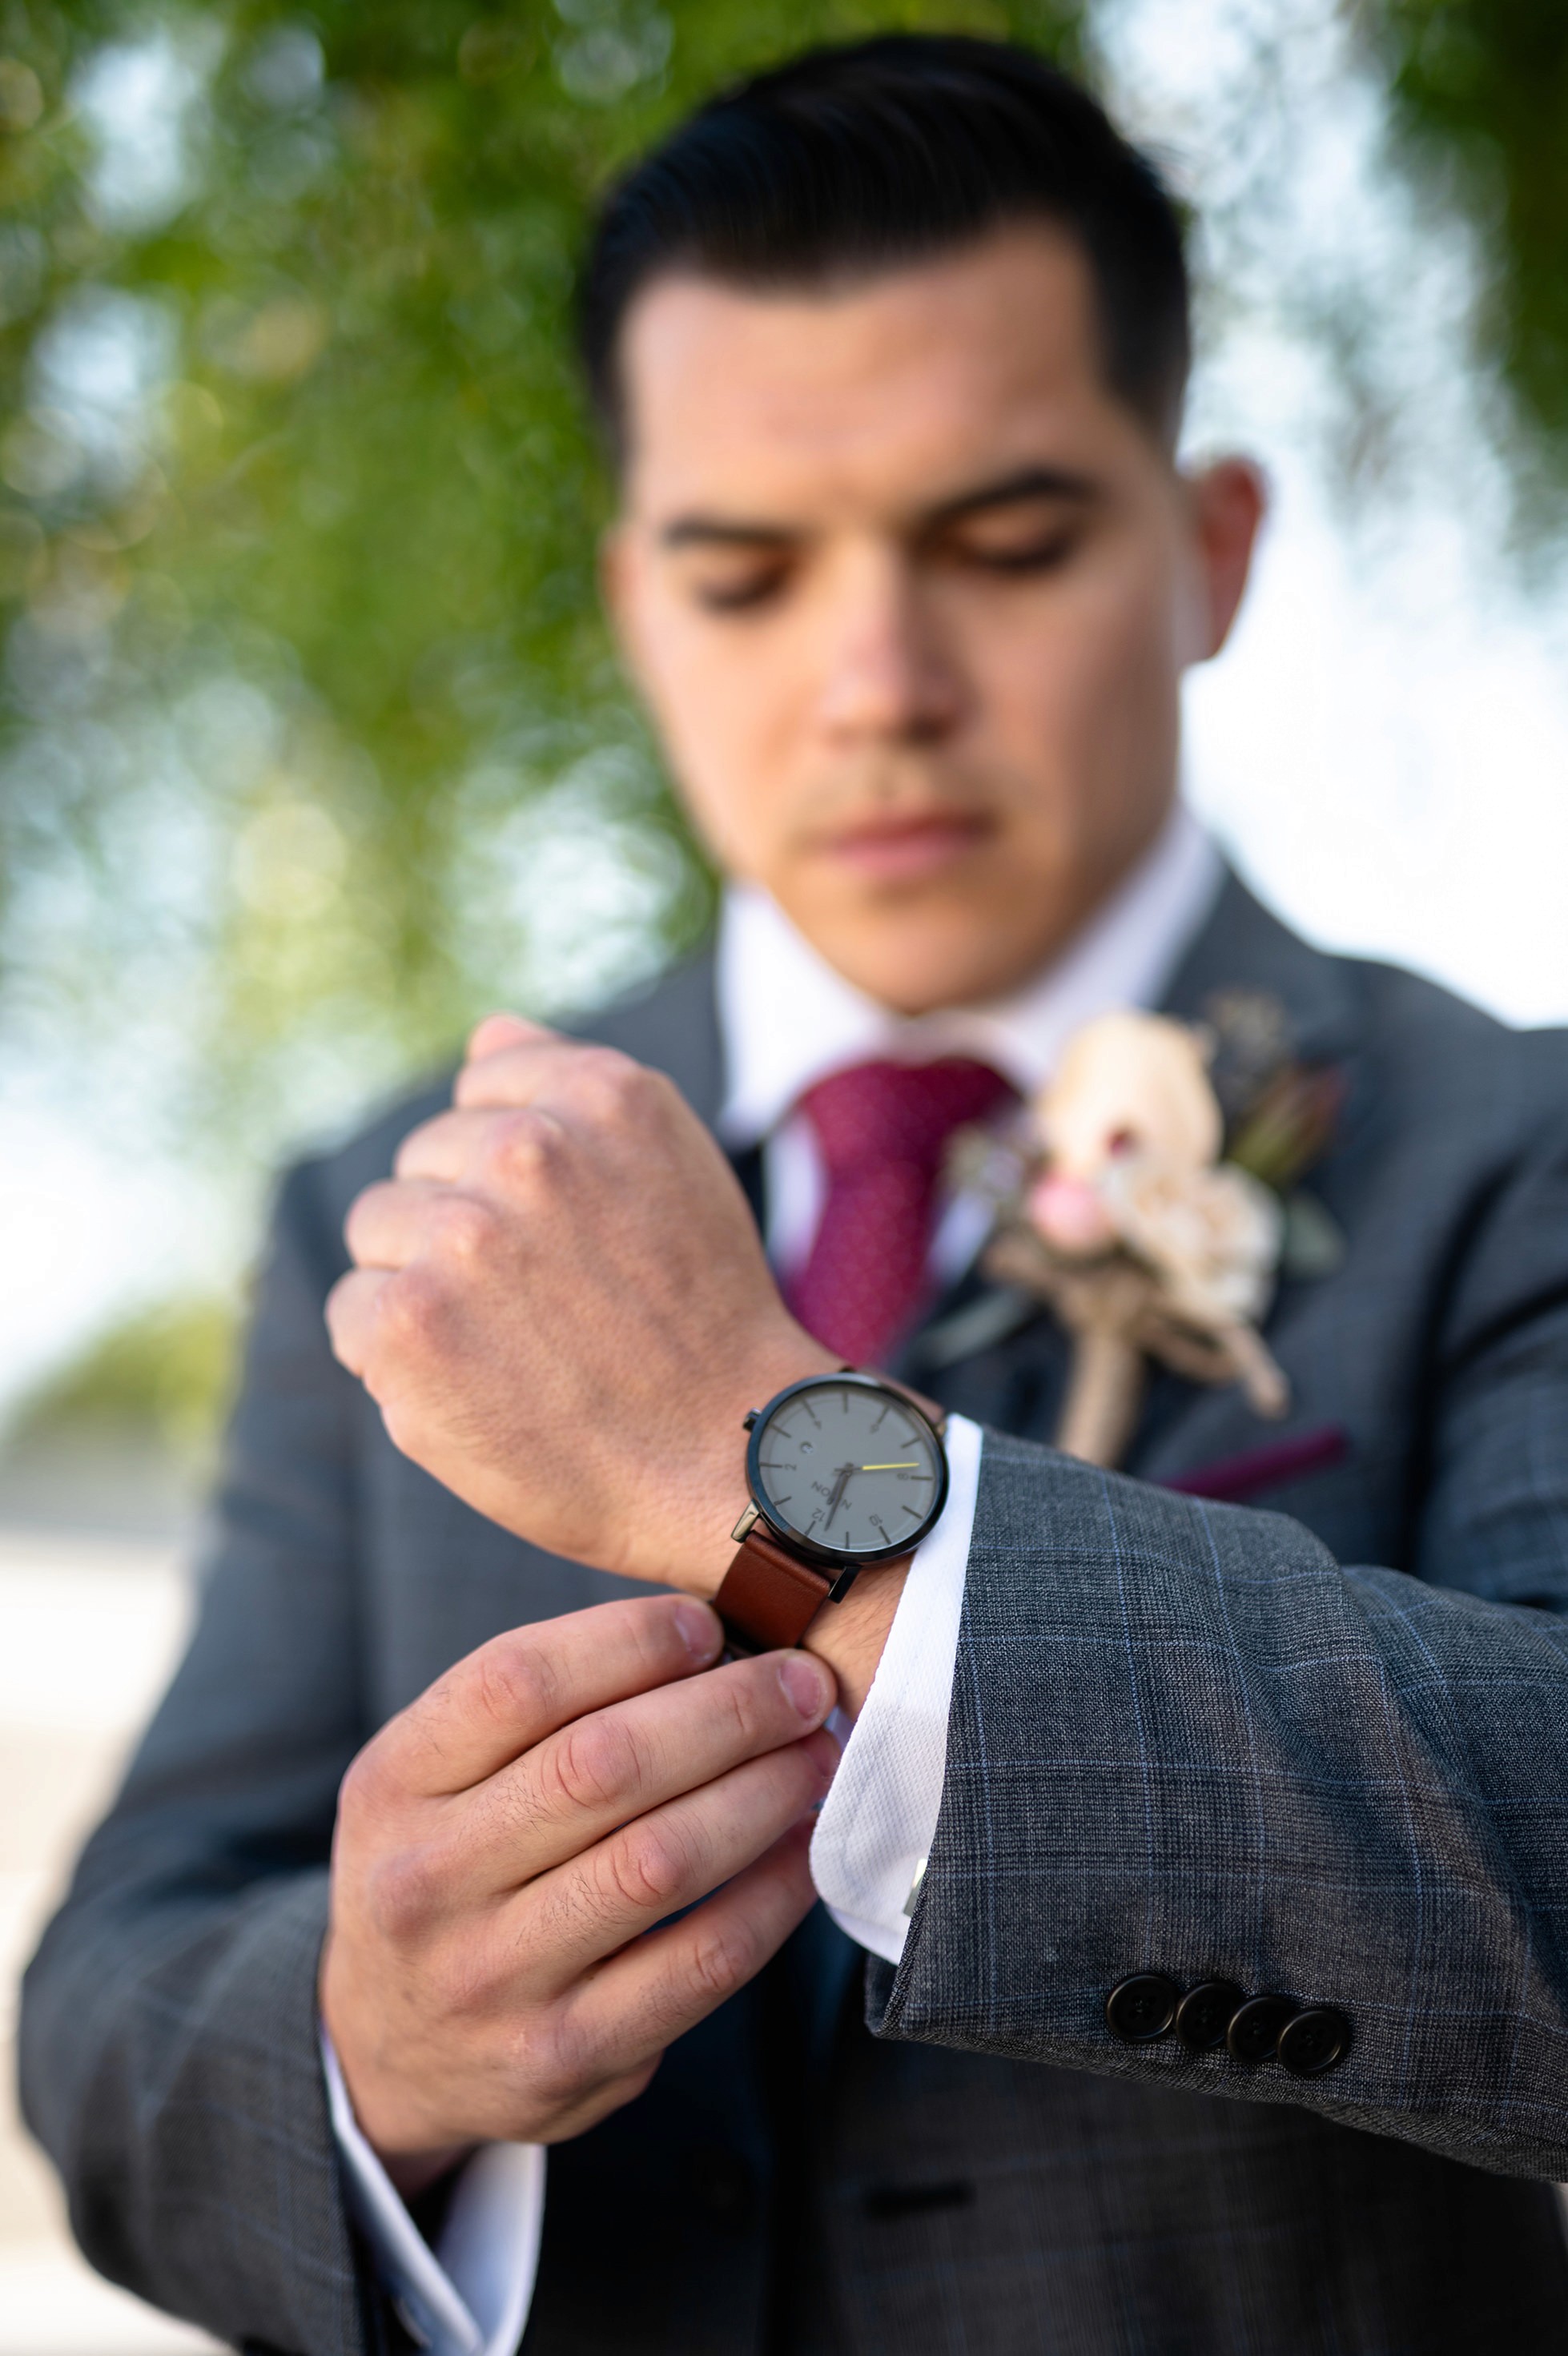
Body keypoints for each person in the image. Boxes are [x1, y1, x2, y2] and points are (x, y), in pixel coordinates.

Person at [22, 34, 1568, 2356]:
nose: (876, 685)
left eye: (1006, 542)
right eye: (749, 574)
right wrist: (370, 2048)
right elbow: (111, 2014)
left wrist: (807, 1485)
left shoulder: (1508, 1146)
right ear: (642, 607)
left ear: (1210, 548)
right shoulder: (411, 1208)